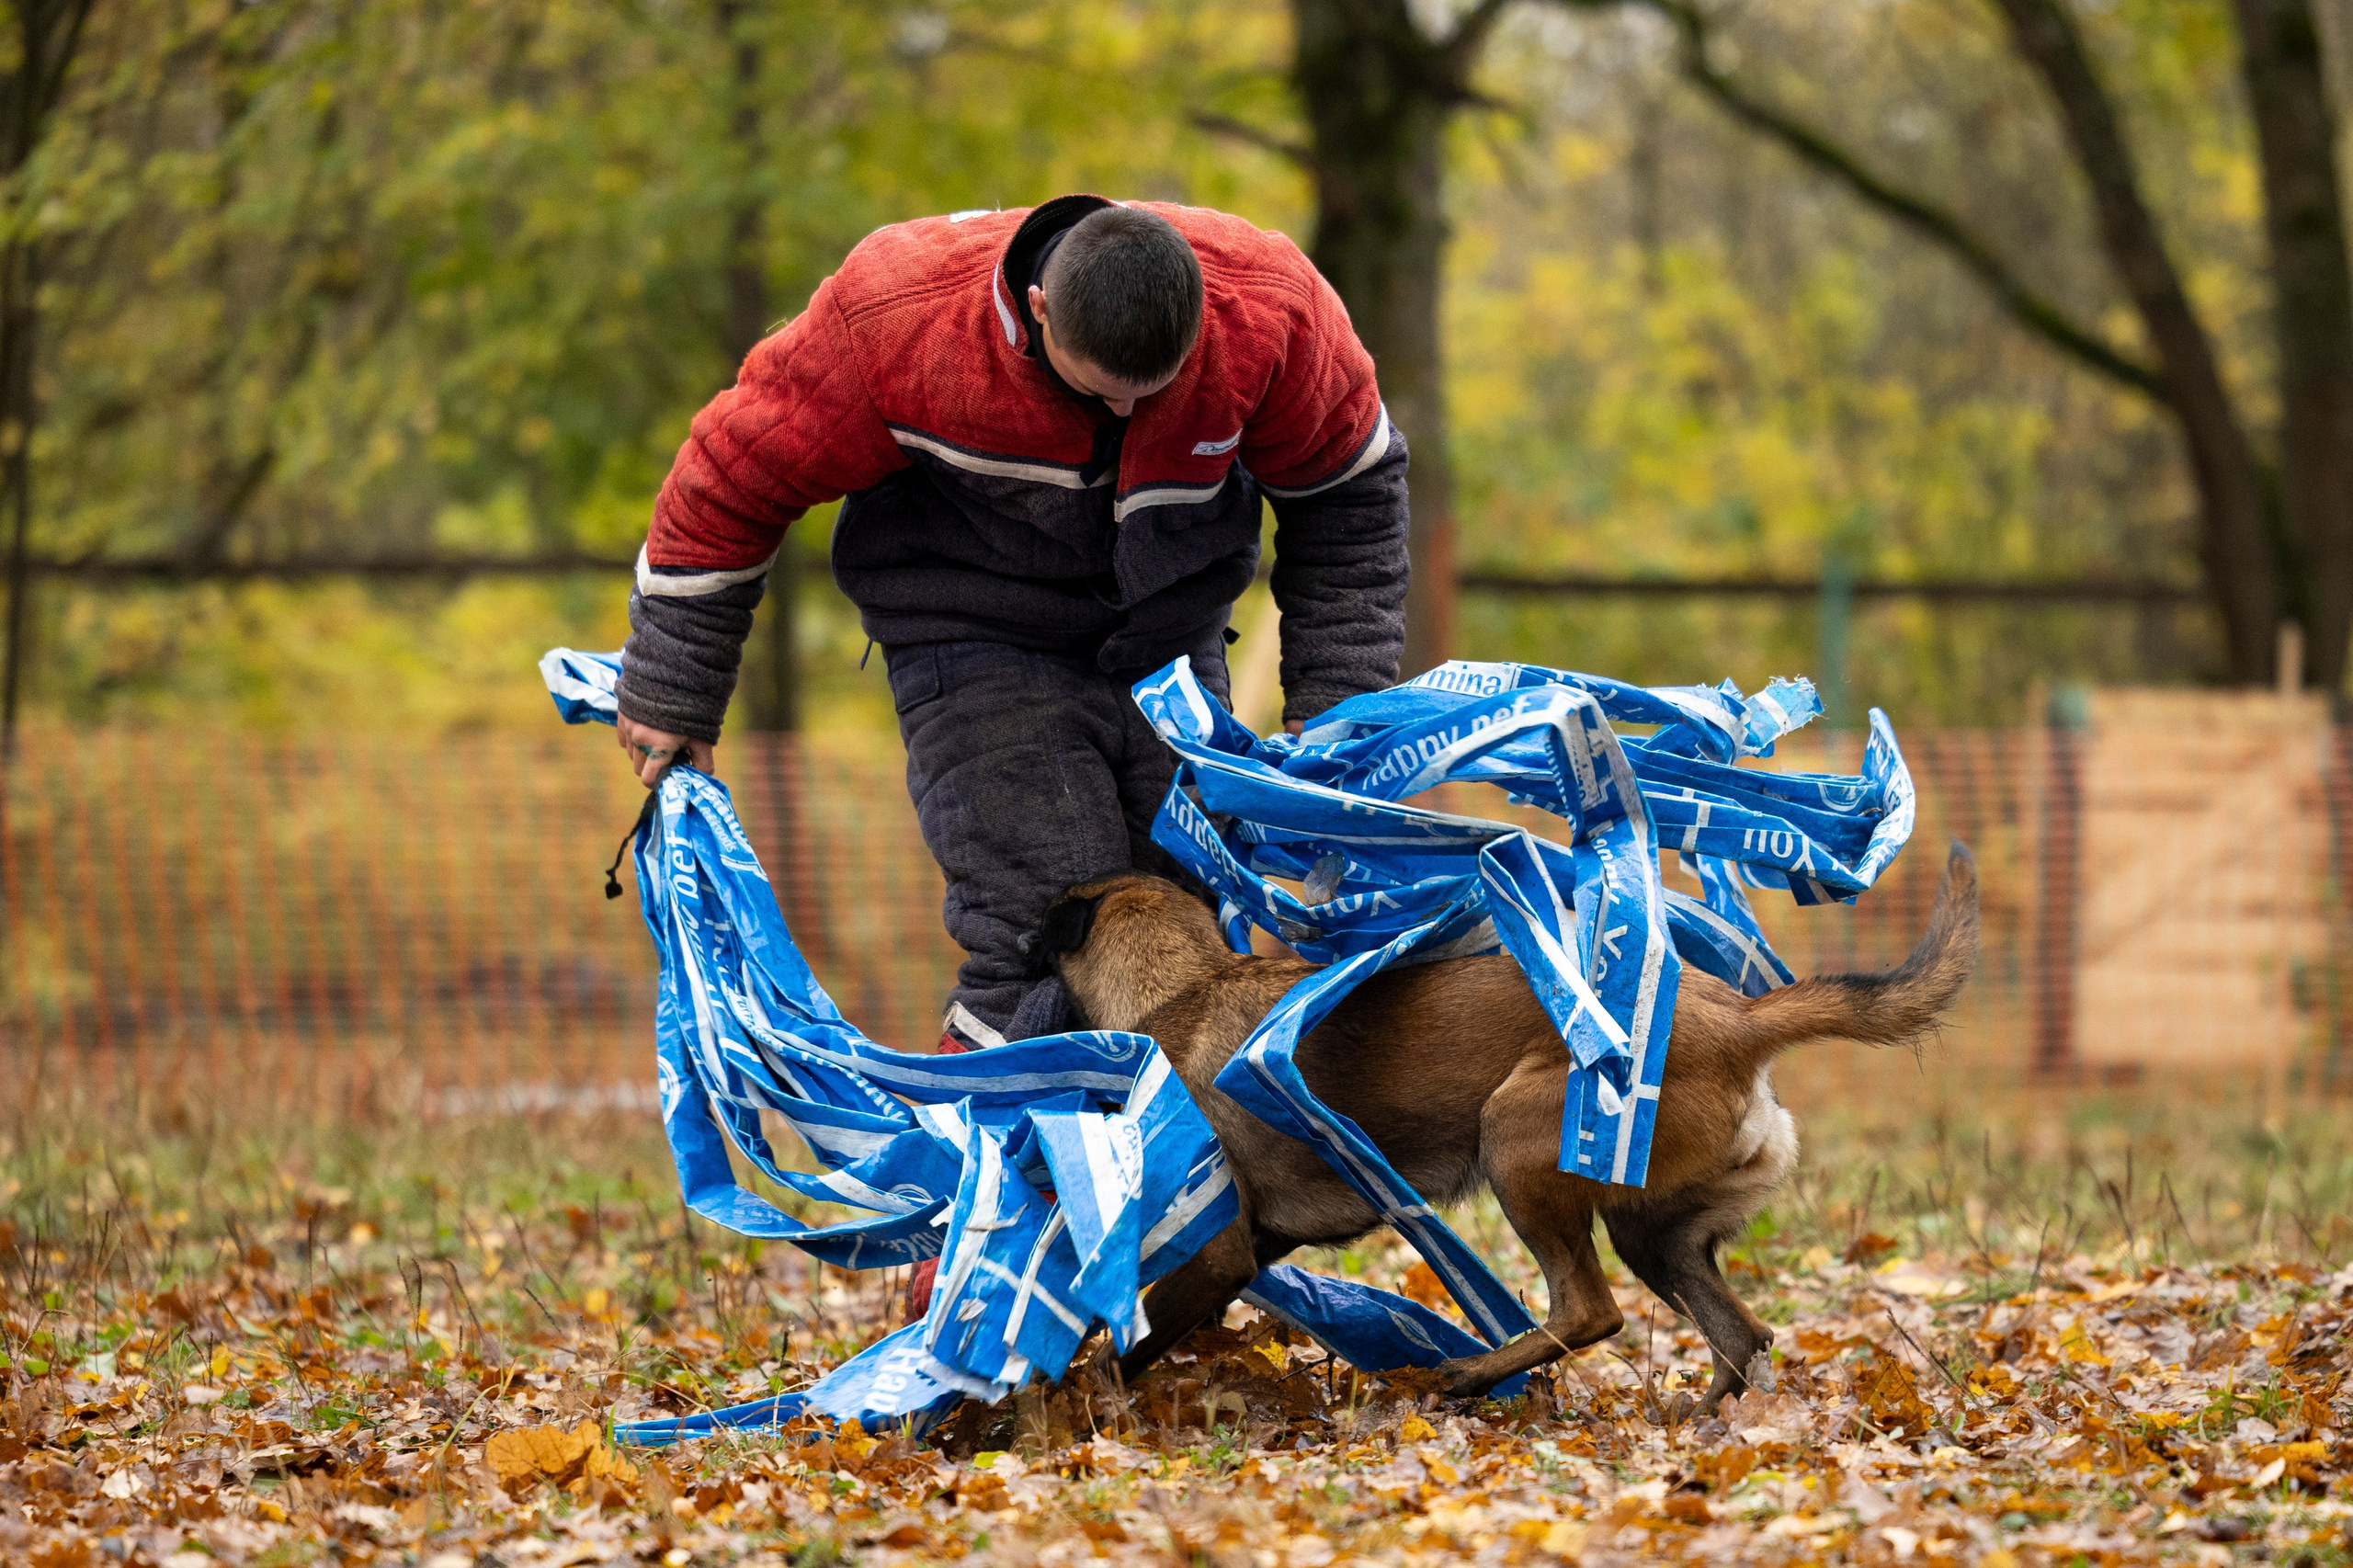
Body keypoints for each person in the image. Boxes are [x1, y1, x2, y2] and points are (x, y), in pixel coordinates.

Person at [612, 194, 1409, 1305]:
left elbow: (1352, 501)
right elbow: (730, 475)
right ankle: (968, 1261)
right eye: (1102, 388)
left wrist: (1339, 716)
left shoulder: (1270, 309)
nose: (1128, 409)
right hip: (972, 631)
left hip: (1167, 634)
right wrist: (673, 687)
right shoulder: (895, 317)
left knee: (1178, 943)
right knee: (1053, 929)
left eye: (1154, 390)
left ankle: (1152, 1249)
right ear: (1037, 309)